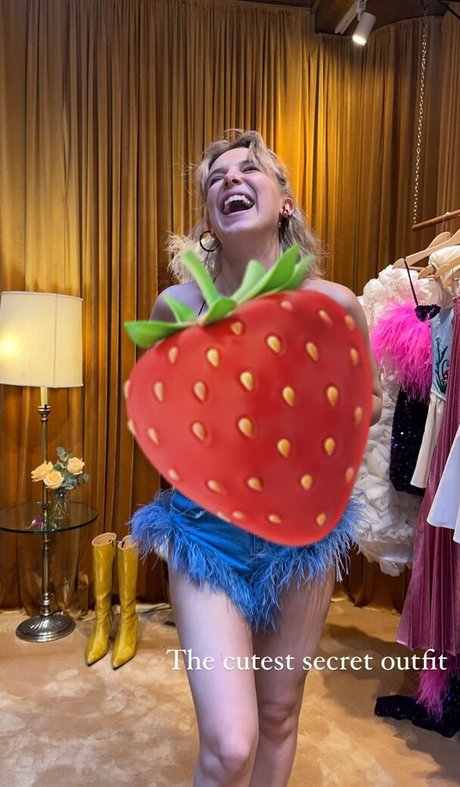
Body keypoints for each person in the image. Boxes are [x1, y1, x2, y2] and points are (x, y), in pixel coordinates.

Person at [131, 130, 382, 786]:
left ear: (285, 202)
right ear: (210, 217)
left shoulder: (335, 306)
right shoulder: (175, 308)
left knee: (277, 712)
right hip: (205, 535)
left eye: (248, 169)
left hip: (302, 535)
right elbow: (160, 423)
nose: (230, 180)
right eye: (216, 177)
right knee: (230, 743)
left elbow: (370, 402)